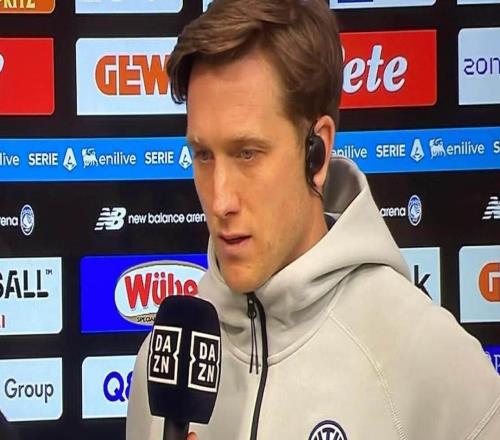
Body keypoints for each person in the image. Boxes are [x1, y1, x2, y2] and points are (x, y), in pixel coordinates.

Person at [126, 0, 500, 439]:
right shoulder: (166, 362)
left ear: (316, 152)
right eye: (203, 155)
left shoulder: (430, 361)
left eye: (247, 153)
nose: (220, 199)